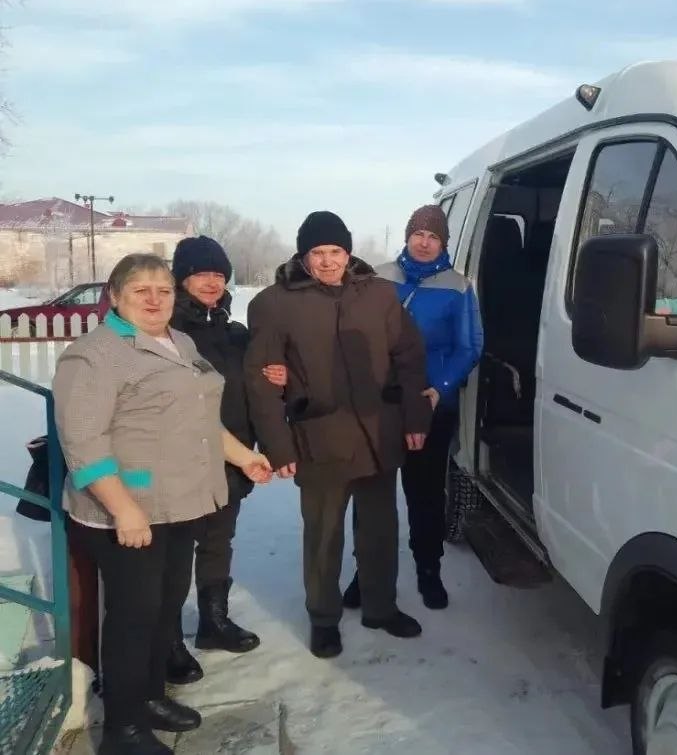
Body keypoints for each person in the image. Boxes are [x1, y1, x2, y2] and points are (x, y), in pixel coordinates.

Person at [54, 253, 273, 755]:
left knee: (164, 607)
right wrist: (123, 508)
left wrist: (244, 457)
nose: (154, 300)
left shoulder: (180, 342)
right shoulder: (93, 355)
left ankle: (149, 697)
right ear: (115, 296)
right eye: (141, 290)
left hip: (179, 503)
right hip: (127, 511)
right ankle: (123, 730)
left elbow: (200, 420)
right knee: (133, 617)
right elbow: (82, 442)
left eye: (164, 290)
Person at [243, 211, 433, 660]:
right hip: (320, 437)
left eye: (336, 251)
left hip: (378, 432)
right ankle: (324, 617)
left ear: (348, 253)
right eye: (318, 253)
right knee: (324, 534)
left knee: (380, 528)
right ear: (303, 256)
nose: (328, 261)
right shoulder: (275, 303)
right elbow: (261, 381)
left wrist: (415, 418)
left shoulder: (379, 295)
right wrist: (278, 445)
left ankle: (380, 606)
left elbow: (409, 357)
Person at [341, 204, 482, 611]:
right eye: (418, 233)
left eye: (433, 236)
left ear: (443, 243)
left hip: (430, 404)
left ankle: (428, 569)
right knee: (372, 494)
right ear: (407, 236)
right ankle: (366, 570)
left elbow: (469, 346)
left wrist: (440, 388)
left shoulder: (458, 287)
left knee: (425, 495)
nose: (424, 242)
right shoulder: (377, 277)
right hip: (379, 405)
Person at [163, 236, 288, 686]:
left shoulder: (235, 333)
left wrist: (277, 374)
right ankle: (167, 640)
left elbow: (256, 383)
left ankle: (213, 622)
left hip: (232, 455)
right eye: (201, 274)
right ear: (181, 279)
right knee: (174, 549)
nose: (212, 282)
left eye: (218, 274)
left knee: (219, 540)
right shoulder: (166, 333)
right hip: (180, 460)